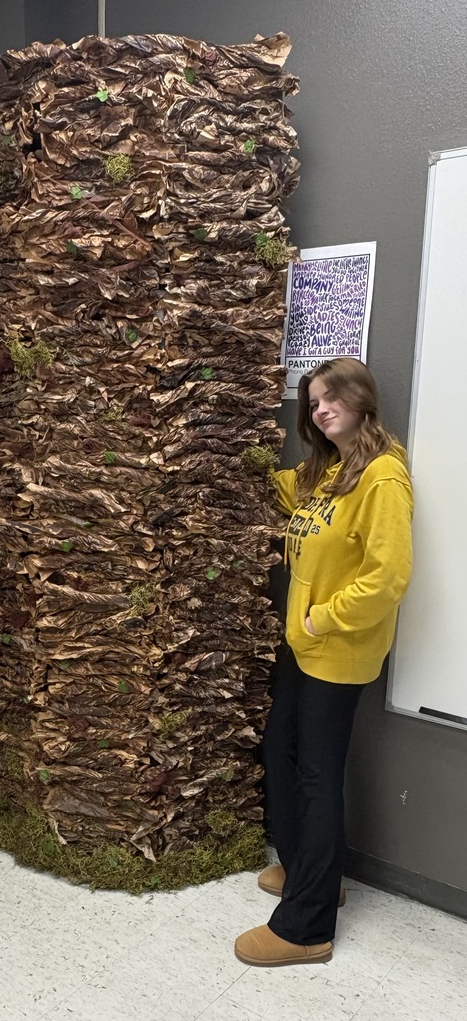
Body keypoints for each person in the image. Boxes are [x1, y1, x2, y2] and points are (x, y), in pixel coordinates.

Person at [234, 357, 413, 967]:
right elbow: (283, 491)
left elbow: (387, 578)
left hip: (336, 647)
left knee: (316, 776)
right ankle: (310, 871)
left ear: (362, 400)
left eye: (332, 397)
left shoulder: (383, 478)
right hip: (303, 643)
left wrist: (322, 618)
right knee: (282, 753)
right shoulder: (330, 473)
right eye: (313, 402)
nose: (321, 409)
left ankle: (307, 927)